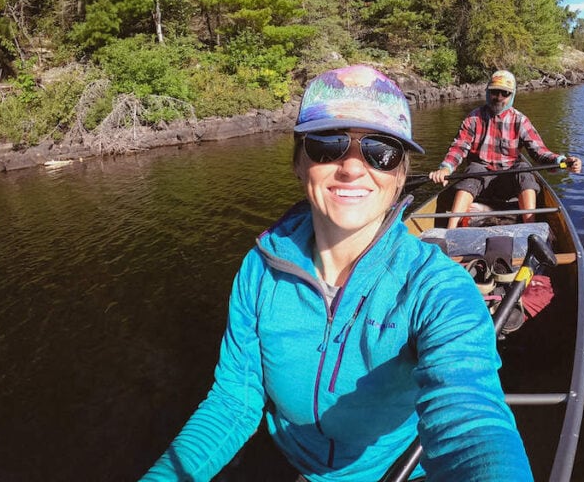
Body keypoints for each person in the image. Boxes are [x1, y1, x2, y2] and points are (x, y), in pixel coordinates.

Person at [142, 64, 531, 482]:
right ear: (298, 162)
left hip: (396, 471)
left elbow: (473, 424)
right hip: (291, 460)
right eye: (327, 144)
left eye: (381, 151)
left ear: (400, 175)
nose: (352, 167)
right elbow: (235, 401)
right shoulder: (259, 269)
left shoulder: (436, 288)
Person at [428, 70, 582, 228]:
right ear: (487, 92)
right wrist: (446, 169)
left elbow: (540, 152)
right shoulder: (473, 119)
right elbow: (459, 148)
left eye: (505, 93)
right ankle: (451, 230)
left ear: (512, 95)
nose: (499, 97)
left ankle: (531, 228)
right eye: (494, 92)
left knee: (524, 169)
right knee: (473, 170)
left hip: (509, 181)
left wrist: (562, 161)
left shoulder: (520, 120)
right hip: (479, 179)